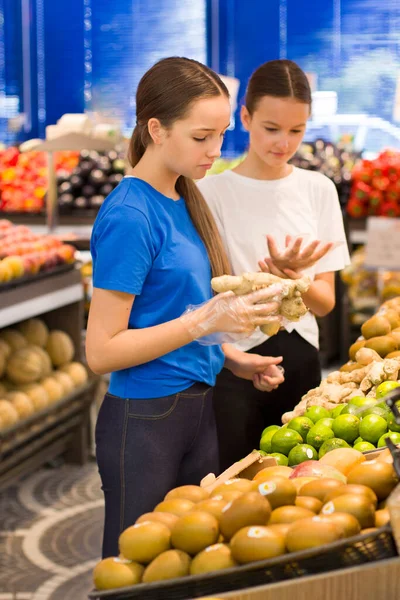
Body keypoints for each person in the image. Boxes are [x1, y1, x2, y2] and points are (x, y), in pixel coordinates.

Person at [86, 57, 284, 558]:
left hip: (197, 407)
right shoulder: (131, 214)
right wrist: (205, 321)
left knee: (188, 562)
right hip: (145, 418)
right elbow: (102, 352)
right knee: (135, 571)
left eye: (220, 135)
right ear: (156, 128)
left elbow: (163, 316)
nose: (214, 151)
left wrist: (234, 358)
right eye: (201, 137)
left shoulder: (181, 197)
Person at [197, 59, 350, 471]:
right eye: (271, 128)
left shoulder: (318, 190)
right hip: (233, 360)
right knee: (234, 483)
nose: (283, 142)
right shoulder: (208, 193)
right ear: (244, 117)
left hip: (301, 358)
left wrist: (294, 278)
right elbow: (200, 295)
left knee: (305, 478)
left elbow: (324, 304)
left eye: (296, 131)